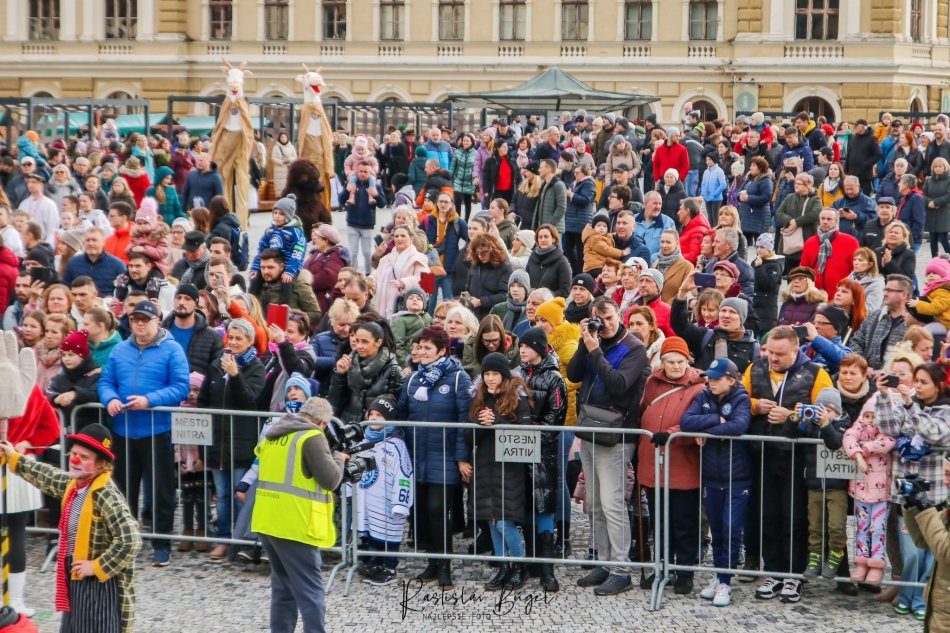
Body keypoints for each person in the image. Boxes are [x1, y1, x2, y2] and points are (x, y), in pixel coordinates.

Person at [1, 423, 142, 633]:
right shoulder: (75, 485)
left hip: (99, 585)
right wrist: (14, 457)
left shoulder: (105, 494)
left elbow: (130, 540)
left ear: (100, 464)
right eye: (74, 454)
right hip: (75, 575)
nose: (75, 460)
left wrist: (97, 566)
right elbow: (47, 475)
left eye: (84, 457)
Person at [742, 326, 833, 604]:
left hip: (797, 456)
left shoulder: (816, 373)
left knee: (794, 516)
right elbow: (738, 399)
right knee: (767, 515)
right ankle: (773, 570)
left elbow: (827, 414)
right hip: (762, 454)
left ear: (796, 351)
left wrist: (791, 416)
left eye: (780, 354)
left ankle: (794, 573)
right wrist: (756, 406)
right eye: (770, 352)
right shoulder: (755, 368)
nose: (773, 358)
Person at [98, 299, 190, 567]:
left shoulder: (172, 349)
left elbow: (181, 387)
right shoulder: (120, 350)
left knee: (161, 490)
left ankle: (161, 543)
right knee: (122, 490)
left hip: (157, 429)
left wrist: (150, 400)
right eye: (135, 319)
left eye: (145, 319)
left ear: (157, 320)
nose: (139, 324)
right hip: (123, 430)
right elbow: (106, 381)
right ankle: (124, 540)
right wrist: (110, 398)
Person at [568, 297, 649, 596]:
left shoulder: (634, 348)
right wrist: (584, 342)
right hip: (591, 429)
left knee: (613, 503)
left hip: (616, 434)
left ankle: (621, 569)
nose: (605, 324)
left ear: (619, 315)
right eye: (599, 319)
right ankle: (604, 562)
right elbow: (574, 375)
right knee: (596, 503)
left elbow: (618, 385)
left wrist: (595, 351)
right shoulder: (594, 339)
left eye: (610, 318)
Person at [251, 396, 345, 633]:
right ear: (322, 423)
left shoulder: (275, 434)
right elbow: (331, 479)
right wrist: (338, 457)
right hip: (295, 522)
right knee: (310, 590)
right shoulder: (311, 436)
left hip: (267, 519)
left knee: (283, 587)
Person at [397, 326, 473, 588]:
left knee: (438, 509)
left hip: (445, 455)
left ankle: (444, 567)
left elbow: (465, 420)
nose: (422, 352)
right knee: (422, 512)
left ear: (442, 350)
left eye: (427, 348)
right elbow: (402, 415)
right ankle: (432, 562)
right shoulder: (412, 380)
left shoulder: (458, 378)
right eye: (419, 347)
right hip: (417, 456)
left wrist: (462, 457)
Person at [680, 357, 752, 607]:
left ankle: (725, 581)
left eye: (716, 378)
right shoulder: (703, 395)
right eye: (709, 378)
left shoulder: (741, 398)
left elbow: (739, 425)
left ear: (731, 380)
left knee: (731, 529)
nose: (710, 382)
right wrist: (715, 420)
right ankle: (719, 576)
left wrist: (705, 432)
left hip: (736, 477)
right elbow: (686, 421)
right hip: (711, 476)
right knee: (718, 531)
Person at [636, 336, 705, 593]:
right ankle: (662, 567)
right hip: (655, 463)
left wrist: (672, 433)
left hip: (683, 465)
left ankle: (685, 572)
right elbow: (644, 409)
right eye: (670, 362)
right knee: (660, 521)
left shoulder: (698, 387)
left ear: (688, 361)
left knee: (684, 521)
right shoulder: (652, 383)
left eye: (680, 362)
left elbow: (698, 420)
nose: (676, 366)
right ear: (662, 362)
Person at [467, 352, 532, 591]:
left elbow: (525, 434)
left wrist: (496, 422)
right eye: (487, 374)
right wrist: (479, 424)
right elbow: (469, 437)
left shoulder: (518, 398)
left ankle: (519, 566)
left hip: (509, 467)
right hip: (485, 465)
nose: (490, 378)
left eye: (495, 373)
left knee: (504, 522)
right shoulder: (479, 398)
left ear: (504, 375)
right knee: (492, 520)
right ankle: (503, 567)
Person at [518, 326, 567, 591]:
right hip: (519, 449)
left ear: (538, 347)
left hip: (543, 451)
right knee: (526, 505)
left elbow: (556, 415)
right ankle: (531, 561)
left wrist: (534, 433)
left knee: (544, 505)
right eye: (520, 346)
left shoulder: (554, 378)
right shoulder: (518, 374)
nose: (522, 350)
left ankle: (547, 570)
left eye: (526, 346)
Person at [353, 394, 415, 586]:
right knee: (373, 533)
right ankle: (375, 564)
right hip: (369, 500)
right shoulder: (363, 442)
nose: (373, 418)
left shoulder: (397, 445)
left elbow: (404, 474)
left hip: (389, 501)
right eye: (371, 414)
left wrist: (401, 503)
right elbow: (353, 468)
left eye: (379, 415)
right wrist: (349, 493)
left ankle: (389, 568)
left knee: (389, 534)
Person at [842, 400, 895, 585]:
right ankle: (861, 562)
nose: (870, 420)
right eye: (867, 416)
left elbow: (887, 442)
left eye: (874, 416)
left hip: (881, 493)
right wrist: (858, 455)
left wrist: (866, 448)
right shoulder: (859, 427)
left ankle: (876, 564)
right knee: (862, 527)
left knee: (878, 528)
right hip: (861, 490)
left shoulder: (887, 431)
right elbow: (848, 437)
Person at [901, 452, 950, 630]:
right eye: (945, 474)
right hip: (939, 610)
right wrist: (912, 505)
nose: (946, 481)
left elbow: (946, 552)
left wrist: (925, 508)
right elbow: (924, 540)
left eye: (949, 475)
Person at [671, 276, 759, 372]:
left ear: (742, 318)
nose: (726, 315)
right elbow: (680, 325)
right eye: (723, 310)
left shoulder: (753, 348)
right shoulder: (706, 336)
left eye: (732, 312)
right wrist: (682, 292)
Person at [329, 321, 405, 424]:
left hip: (377, 429)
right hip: (348, 426)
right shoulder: (348, 364)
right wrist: (340, 374)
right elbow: (335, 403)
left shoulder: (393, 370)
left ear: (378, 342)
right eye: (357, 341)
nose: (359, 346)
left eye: (365, 342)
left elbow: (399, 408)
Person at [250, 194, 306, 307]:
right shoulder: (270, 231)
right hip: (271, 263)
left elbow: (298, 254)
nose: (277, 216)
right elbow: (261, 250)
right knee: (255, 280)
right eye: (275, 213)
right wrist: (255, 267)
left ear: (289, 215)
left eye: (281, 214)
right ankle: (251, 303)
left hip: (289, 265)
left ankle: (282, 306)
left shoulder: (295, 232)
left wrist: (289, 271)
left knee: (286, 282)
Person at [251, 248, 322, 326]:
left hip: (287, 331)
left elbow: (315, 314)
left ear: (281, 267)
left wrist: (293, 316)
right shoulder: (257, 287)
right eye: (263, 267)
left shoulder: (299, 285)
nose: (266, 271)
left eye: (270, 267)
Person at [800, 208, 860, 295]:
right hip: (815, 295)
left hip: (841, 295)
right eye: (823, 218)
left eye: (829, 219)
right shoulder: (809, 242)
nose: (825, 222)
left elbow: (856, 269)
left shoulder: (851, 242)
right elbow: (804, 270)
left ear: (836, 222)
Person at [774, 172, 822, 271]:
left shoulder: (815, 199)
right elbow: (779, 213)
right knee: (788, 272)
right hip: (789, 242)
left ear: (807, 185)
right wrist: (789, 220)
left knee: (804, 272)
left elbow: (815, 214)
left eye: (799, 184)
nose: (796, 185)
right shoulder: (790, 197)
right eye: (796, 183)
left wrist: (797, 222)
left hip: (806, 239)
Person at [465, 234, 512, 320]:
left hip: (494, 315)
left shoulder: (504, 267)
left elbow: (505, 296)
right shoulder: (475, 266)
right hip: (474, 314)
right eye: (478, 253)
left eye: (483, 253)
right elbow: (468, 288)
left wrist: (481, 302)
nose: (480, 256)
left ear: (492, 251)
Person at [526, 224, 572, 298]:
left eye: (546, 236)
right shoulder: (532, 258)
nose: (543, 240)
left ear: (554, 239)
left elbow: (565, 291)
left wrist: (543, 297)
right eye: (540, 237)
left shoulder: (562, 261)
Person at [737, 156, 774, 245]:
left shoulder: (766, 180)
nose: (750, 168)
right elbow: (739, 191)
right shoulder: (749, 179)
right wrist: (739, 197)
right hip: (746, 217)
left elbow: (765, 198)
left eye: (753, 166)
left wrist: (748, 198)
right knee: (745, 245)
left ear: (760, 168)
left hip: (759, 217)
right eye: (751, 165)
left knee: (760, 245)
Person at [533, 159, 567, 233]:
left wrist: (549, 226)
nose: (538, 170)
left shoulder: (559, 185)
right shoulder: (544, 185)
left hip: (554, 231)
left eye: (541, 167)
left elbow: (562, 208)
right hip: (543, 229)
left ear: (548, 169)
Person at [850, 247, 885, 315]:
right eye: (855, 259)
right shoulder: (849, 278)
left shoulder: (877, 284)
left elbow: (871, 310)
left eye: (860, 260)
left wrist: (848, 305)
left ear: (870, 264)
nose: (855, 263)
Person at [677, 198, 712, 265]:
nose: (678, 213)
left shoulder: (698, 231)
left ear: (687, 211)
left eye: (680, 209)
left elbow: (693, 258)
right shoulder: (689, 228)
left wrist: (673, 256)